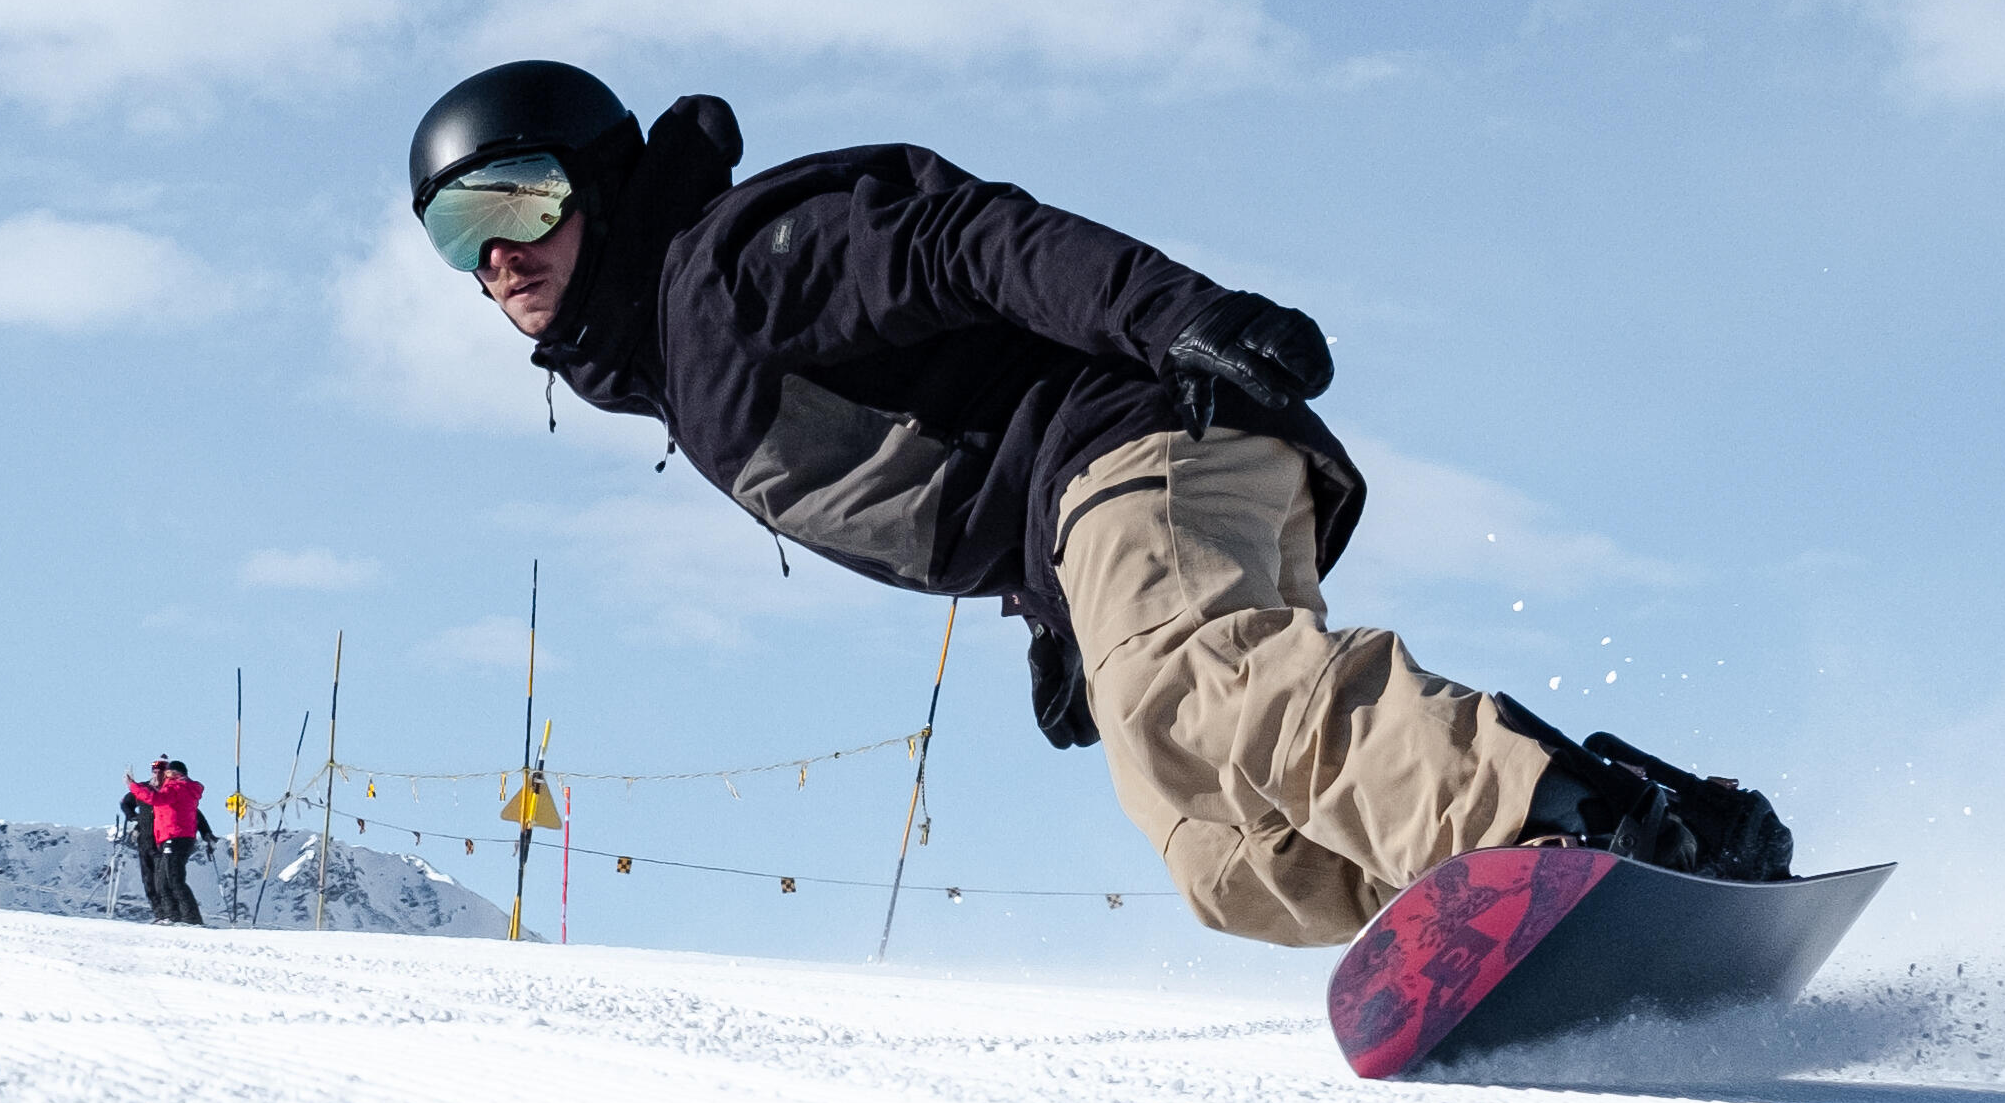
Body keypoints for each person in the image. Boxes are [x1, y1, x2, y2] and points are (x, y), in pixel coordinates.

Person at [403, 61, 1790, 947]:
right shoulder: (676, 363)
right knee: (1222, 853)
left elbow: (967, 243)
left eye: (515, 201)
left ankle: (1553, 820)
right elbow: (965, 433)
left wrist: (1184, 316)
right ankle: (1567, 884)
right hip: (1086, 513)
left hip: (1145, 430)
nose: (498, 259)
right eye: (458, 236)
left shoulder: (738, 259)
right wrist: (1054, 621)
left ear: (599, 181)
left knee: (1208, 684)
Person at [118, 754, 215, 923]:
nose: (161, 775)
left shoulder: (175, 789)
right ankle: (169, 916)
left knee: (171, 879)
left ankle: (187, 918)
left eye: (165, 771)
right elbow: (128, 802)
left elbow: (160, 801)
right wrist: (133, 817)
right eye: (157, 770)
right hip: (157, 838)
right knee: (157, 881)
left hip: (173, 837)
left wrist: (132, 785)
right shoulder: (162, 789)